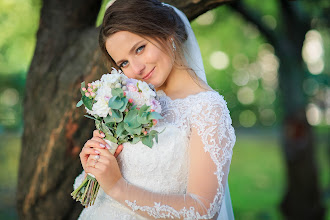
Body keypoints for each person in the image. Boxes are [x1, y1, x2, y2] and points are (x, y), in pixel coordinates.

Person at [74, 0, 236, 219]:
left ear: (167, 34)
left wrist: (117, 187)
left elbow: (203, 211)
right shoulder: (134, 99)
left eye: (139, 48)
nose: (136, 69)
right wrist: (97, 166)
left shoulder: (207, 108)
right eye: (124, 63)